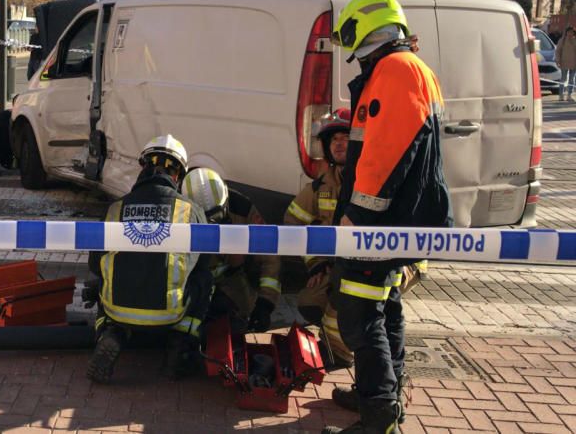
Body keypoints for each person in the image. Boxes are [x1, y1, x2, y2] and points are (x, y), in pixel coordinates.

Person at [322, 0, 452, 434]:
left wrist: (358, 216)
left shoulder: (395, 71)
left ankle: (378, 415)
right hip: (400, 219)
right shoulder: (408, 69)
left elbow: (384, 154)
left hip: (378, 223)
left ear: (364, 29)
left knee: (359, 316)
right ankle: (381, 397)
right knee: (385, 306)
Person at [286, 109, 428, 375]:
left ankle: (346, 354)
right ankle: (348, 348)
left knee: (350, 302)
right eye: (334, 139)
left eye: (346, 137)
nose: (339, 143)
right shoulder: (322, 187)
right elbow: (293, 224)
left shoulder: (377, 180)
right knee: (311, 298)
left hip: (398, 261)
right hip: (349, 261)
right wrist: (317, 263)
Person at [84, 135, 211, 384]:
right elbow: (204, 264)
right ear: (178, 175)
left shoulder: (115, 209)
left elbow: (94, 264)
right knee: (205, 279)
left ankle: (109, 334)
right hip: (170, 313)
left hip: (117, 309)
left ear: (143, 168)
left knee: (102, 281)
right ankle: (181, 345)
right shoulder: (191, 211)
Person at [180, 168, 280, 334]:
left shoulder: (243, 209)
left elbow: (269, 257)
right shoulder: (177, 211)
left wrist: (265, 304)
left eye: (216, 216)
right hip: (193, 279)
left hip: (232, 276)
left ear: (226, 200)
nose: (212, 224)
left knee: (238, 319)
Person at [556, 27, 576, 102]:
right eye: (569, 32)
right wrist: (558, 60)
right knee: (563, 79)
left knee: (572, 79)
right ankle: (561, 95)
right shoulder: (562, 40)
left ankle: (569, 95)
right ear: (566, 32)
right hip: (564, 62)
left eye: (572, 32)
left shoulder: (575, 40)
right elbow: (558, 51)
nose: (570, 33)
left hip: (574, 64)